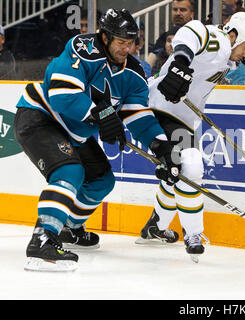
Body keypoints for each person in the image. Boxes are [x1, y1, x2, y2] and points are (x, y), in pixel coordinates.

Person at [14, 9, 178, 271]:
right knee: (70, 171)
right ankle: (43, 239)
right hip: (41, 116)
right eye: (121, 42)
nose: (127, 48)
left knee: (101, 180)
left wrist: (161, 146)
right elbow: (61, 94)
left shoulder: (134, 73)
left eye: (131, 43)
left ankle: (69, 229)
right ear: (105, 37)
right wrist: (101, 114)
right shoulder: (83, 48)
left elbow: (137, 115)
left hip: (74, 132)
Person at [135, 12, 245, 261]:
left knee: (177, 169)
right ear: (234, 35)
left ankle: (156, 226)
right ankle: (193, 233)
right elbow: (192, 31)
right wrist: (181, 61)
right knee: (192, 165)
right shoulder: (217, 39)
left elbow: (220, 61)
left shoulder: (225, 54)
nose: (244, 52)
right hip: (161, 109)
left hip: (178, 117)